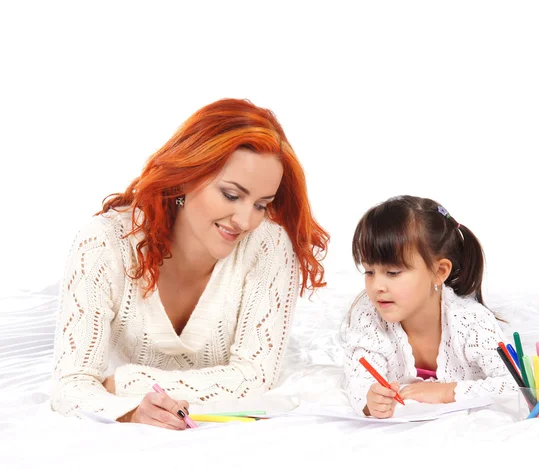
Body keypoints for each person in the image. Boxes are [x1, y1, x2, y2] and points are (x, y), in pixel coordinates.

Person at [51, 98, 329, 430]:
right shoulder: (103, 243)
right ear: (186, 175)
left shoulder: (268, 245)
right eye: (231, 195)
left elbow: (256, 377)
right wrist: (130, 412)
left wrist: (125, 383)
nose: (245, 220)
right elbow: (70, 385)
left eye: (261, 204)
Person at [343, 195, 515, 418]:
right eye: (369, 271)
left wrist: (447, 391)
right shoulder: (368, 313)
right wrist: (369, 398)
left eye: (393, 272)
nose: (376, 286)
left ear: (439, 272)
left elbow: (517, 383)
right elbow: (357, 377)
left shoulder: (471, 322)